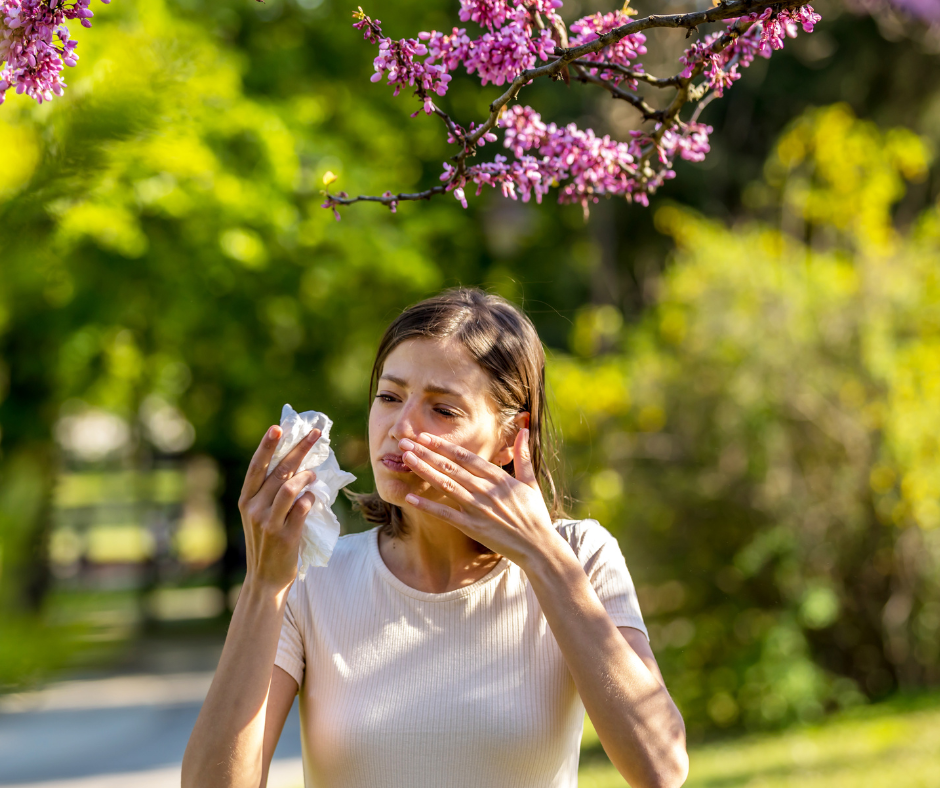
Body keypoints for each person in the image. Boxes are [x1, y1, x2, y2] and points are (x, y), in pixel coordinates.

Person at [182, 288, 689, 788]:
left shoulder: (579, 556)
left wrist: (542, 556)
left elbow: (660, 770)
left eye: (443, 410)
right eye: (389, 397)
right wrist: (263, 586)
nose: (400, 428)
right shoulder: (315, 579)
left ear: (514, 439)